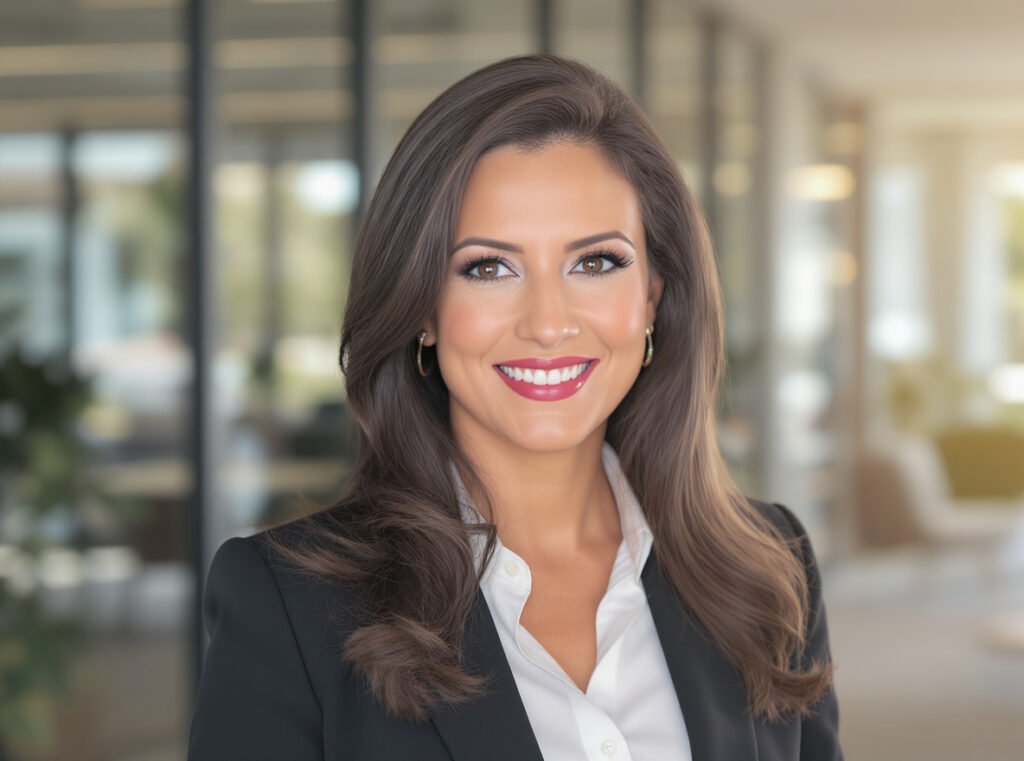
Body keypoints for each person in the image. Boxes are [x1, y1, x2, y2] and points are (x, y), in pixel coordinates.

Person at [187, 53, 843, 761]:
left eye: (595, 262)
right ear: (423, 308)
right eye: (488, 267)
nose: (547, 321)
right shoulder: (287, 606)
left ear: (653, 294)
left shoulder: (769, 567)